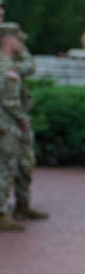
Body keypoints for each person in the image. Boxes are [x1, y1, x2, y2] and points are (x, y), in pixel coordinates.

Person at [0, 0, 48, 221]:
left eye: (2, 9)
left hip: (13, 111)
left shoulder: (10, 34)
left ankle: (22, 203)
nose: (1, 13)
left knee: (24, 160)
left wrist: (11, 69)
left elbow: (30, 65)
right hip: (5, 112)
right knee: (5, 163)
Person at [0, 22, 29, 231]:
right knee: (5, 169)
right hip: (5, 125)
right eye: (18, 39)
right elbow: (9, 100)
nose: (21, 44)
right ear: (9, 40)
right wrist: (22, 118)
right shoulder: (7, 66)